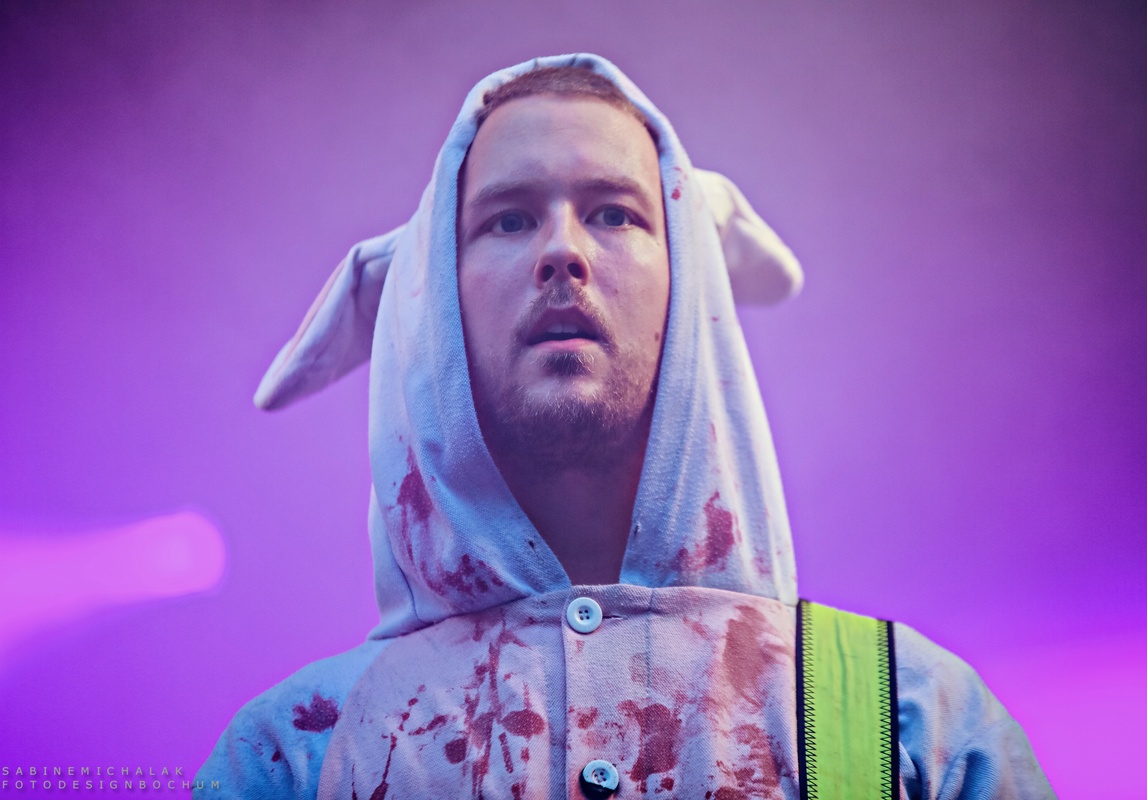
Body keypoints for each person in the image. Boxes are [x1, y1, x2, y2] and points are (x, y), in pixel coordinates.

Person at [197, 54, 1054, 799]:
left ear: (689, 282)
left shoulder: (914, 724)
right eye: (508, 219)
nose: (562, 251)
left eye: (614, 213)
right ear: (435, 303)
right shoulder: (292, 758)